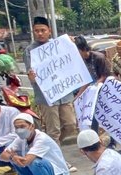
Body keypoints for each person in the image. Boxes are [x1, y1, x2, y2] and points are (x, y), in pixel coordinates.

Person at [24, 16, 78, 147]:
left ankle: (50, 146)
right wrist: (32, 77)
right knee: (53, 130)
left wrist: (71, 43)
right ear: (33, 32)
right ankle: (56, 159)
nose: (40, 33)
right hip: (46, 97)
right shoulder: (30, 51)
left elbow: (71, 59)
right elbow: (31, 75)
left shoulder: (59, 45)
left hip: (64, 94)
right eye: (37, 31)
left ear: (49, 30)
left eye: (43, 30)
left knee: (71, 125)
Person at [0, 113, 69, 175]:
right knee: (14, 159)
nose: (19, 130)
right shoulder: (21, 138)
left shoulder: (41, 138)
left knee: (34, 161)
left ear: (31, 126)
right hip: (42, 168)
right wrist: (12, 157)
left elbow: (26, 161)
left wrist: (14, 157)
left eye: (22, 126)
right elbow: (2, 156)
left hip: (56, 172)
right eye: (16, 128)